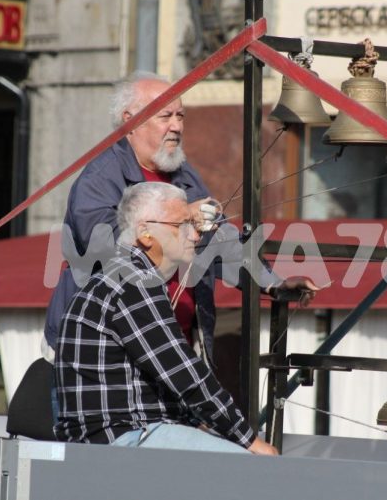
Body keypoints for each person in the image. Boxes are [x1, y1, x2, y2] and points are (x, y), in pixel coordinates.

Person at [44, 71, 318, 364]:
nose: (176, 126)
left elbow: (222, 243)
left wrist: (274, 284)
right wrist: (184, 216)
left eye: (181, 116)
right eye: (165, 116)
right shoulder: (100, 179)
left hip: (176, 352)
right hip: (106, 359)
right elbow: (108, 249)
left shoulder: (183, 176)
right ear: (130, 120)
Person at [54, 182, 277, 455]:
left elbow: (166, 384)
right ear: (146, 233)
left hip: (125, 433)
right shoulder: (133, 282)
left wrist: (204, 425)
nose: (195, 235)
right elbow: (185, 375)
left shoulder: (125, 275)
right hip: (121, 439)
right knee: (251, 467)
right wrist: (250, 441)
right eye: (182, 225)